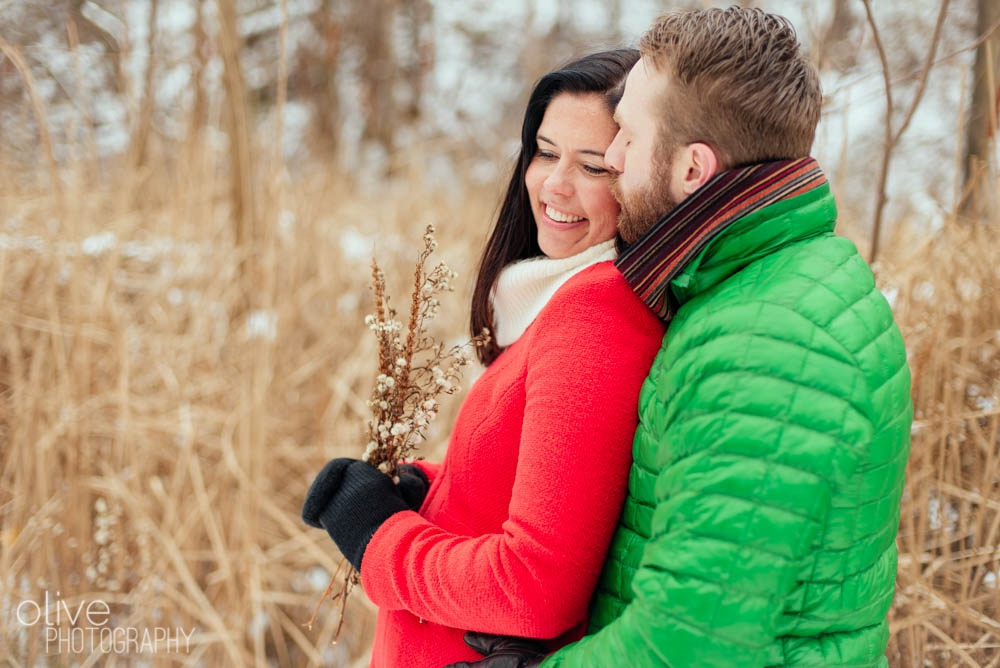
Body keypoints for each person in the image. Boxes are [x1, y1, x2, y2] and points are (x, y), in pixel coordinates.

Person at [455, 7, 913, 668]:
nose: (612, 159)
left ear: (694, 170)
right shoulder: (758, 284)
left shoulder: (765, 346)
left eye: (628, 140)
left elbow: (688, 644)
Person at [300, 49, 665, 667]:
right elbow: (550, 492)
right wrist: (431, 492)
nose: (555, 184)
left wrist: (378, 539)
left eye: (594, 166)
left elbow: (534, 587)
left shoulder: (595, 318)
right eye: (546, 152)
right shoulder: (558, 300)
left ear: (637, 173)